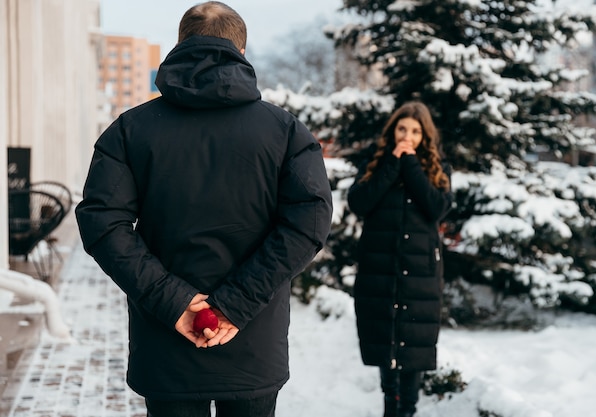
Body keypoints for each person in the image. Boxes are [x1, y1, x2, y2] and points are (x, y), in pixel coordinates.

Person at [74, 2, 333, 417]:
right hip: (251, 342)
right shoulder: (285, 131)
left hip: (164, 338)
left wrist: (173, 302)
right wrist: (233, 304)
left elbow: (103, 223)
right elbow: (310, 222)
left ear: (180, 46)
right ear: (241, 52)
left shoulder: (130, 128)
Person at [347, 101, 452, 417]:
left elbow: (436, 208)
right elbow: (360, 203)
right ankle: (390, 407)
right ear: (393, 131)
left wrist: (410, 164)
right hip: (380, 269)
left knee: (413, 347)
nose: (408, 136)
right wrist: (392, 163)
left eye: (416, 131)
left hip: (419, 273)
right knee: (384, 342)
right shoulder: (376, 163)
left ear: (425, 136)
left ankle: (408, 410)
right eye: (402, 129)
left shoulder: (438, 169)